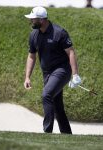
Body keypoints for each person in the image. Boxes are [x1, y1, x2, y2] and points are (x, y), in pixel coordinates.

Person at [24, 6, 82, 134]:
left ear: (42, 20)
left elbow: (71, 52)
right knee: (57, 106)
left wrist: (75, 75)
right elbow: (31, 56)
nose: (31, 21)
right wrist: (27, 77)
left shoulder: (59, 32)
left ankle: (47, 132)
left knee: (46, 95)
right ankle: (67, 134)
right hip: (47, 73)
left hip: (62, 70)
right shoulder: (34, 35)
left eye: (33, 19)